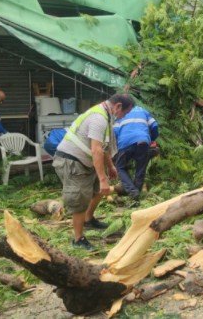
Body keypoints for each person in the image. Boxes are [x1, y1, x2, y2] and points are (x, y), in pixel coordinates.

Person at [53, 94, 134, 250]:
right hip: (72, 161)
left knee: (98, 191)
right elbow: (96, 150)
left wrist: (110, 166)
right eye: (125, 112)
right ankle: (77, 239)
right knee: (79, 199)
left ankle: (88, 220)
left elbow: (103, 148)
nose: (124, 116)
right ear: (117, 106)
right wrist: (103, 178)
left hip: (86, 161)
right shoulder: (99, 118)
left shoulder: (107, 116)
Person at [113, 106, 159, 205]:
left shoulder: (121, 112)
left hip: (125, 143)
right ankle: (135, 198)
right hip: (143, 141)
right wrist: (151, 139)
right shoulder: (143, 110)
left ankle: (133, 192)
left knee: (120, 167)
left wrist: (118, 145)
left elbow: (115, 131)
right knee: (140, 168)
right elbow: (154, 126)